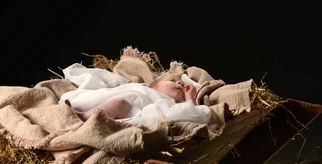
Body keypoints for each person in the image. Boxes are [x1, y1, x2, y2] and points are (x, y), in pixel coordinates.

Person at [59, 63, 212, 126]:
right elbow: (108, 85)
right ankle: (81, 110)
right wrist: (129, 87)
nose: (180, 84)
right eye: (173, 80)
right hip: (106, 99)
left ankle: (83, 117)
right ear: (155, 85)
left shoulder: (168, 103)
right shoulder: (141, 87)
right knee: (111, 98)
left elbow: (197, 116)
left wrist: (189, 99)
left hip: (126, 113)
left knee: (119, 103)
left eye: (182, 84)